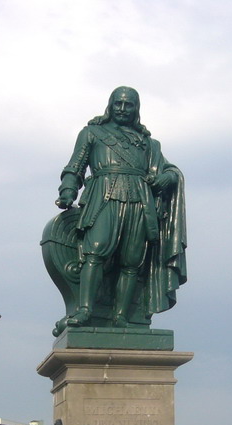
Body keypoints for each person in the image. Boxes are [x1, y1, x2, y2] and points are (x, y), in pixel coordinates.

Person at [53, 86, 187, 331]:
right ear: (110, 105)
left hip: (139, 201)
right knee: (95, 252)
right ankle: (84, 310)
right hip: (104, 196)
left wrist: (167, 178)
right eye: (118, 104)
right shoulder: (92, 133)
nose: (123, 109)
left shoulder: (148, 144)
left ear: (136, 109)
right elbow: (75, 167)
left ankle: (121, 316)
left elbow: (169, 170)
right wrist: (67, 192)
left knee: (132, 261)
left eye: (129, 105)